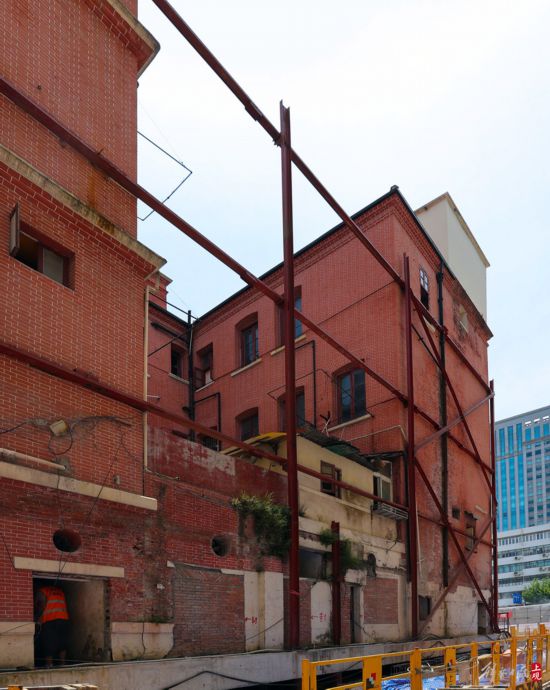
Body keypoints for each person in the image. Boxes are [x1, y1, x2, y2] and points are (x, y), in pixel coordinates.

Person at [35, 584, 70, 667]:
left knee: (48, 642)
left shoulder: (42, 591)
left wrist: (37, 618)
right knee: (62, 642)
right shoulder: (60, 591)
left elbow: (41, 605)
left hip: (50, 620)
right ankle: (63, 663)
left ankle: (49, 664)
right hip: (63, 619)